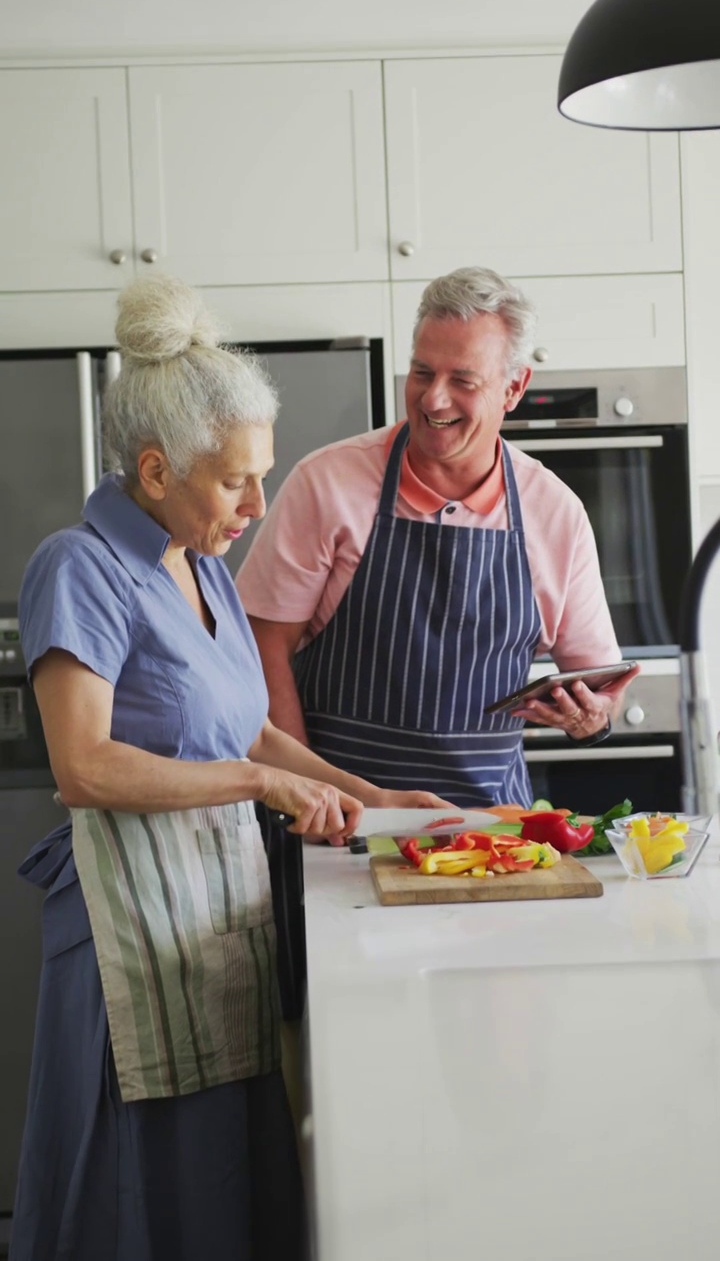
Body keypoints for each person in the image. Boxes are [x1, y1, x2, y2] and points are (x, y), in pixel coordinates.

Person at [10, 274, 453, 1261]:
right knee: (134, 1194)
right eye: (234, 480)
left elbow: (244, 726)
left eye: (265, 475)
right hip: (128, 929)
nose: (257, 504)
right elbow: (83, 765)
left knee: (222, 1187)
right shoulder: (76, 567)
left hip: (214, 915)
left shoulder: (201, 561)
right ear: (157, 468)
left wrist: (369, 797)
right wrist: (263, 788)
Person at [237, 264, 639, 807]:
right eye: (422, 373)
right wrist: (314, 795)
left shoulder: (555, 512)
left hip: (491, 831)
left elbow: (599, 688)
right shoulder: (327, 483)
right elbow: (263, 645)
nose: (433, 400)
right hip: (341, 820)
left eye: (463, 381)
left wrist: (591, 717)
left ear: (514, 388)